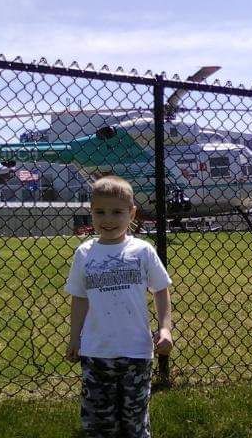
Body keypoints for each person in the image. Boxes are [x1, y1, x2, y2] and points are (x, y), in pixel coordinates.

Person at [65, 175, 173, 438]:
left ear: (132, 213)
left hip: (135, 351)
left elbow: (161, 289)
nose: (108, 219)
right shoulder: (85, 254)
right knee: (99, 421)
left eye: (117, 212)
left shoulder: (142, 251)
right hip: (96, 351)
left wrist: (165, 328)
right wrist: (74, 338)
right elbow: (79, 298)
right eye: (100, 212)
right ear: (91, 213)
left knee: (134, 420)